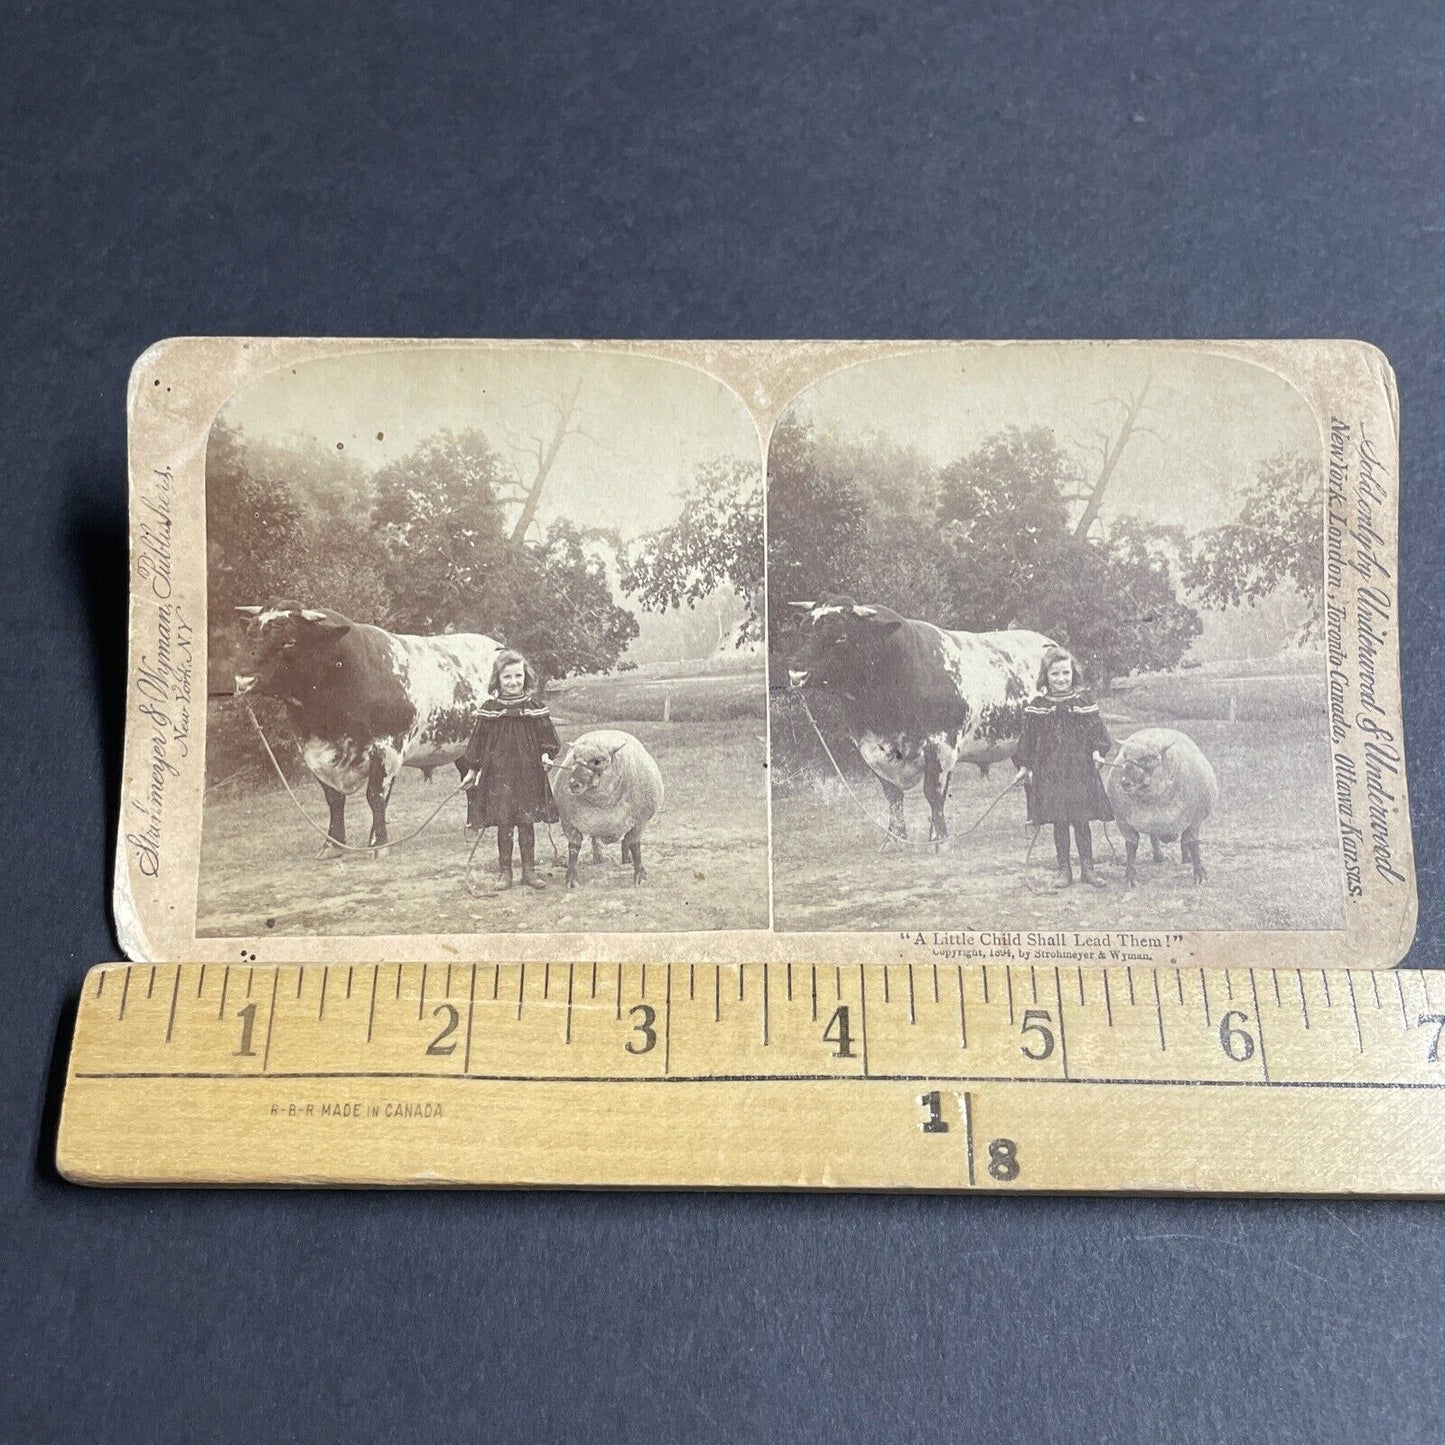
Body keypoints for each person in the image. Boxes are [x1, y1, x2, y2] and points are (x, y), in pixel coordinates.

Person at [460, 650, 561, 892]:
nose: (514, 682)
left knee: (527, 823)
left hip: (529, 774)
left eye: (518, 676)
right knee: (504, 823)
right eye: (507, 677)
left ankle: (529, 871)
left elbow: (547, 738)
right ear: (498, 680)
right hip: (499, 777)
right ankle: (505, 872)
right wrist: (472, 770)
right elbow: (477, 743)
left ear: (526, 677)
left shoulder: (534, 708)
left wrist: (547, 755)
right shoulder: (490, 710)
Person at [1015, 646, 1113, 889]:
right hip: (1051, 774)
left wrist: (1098, 753)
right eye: (1055, 674)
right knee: (1059, 821)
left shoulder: (1083, 702)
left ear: (1073, 674)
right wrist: (1024, 766)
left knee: (1081, 821)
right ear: (1046, 676)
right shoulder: (1038, 706)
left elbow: (1097, 733)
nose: (1061, 679)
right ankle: (1063, 871)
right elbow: (1028, 740)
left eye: (1066, 673)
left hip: (1080, 771)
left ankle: (1088, 869)